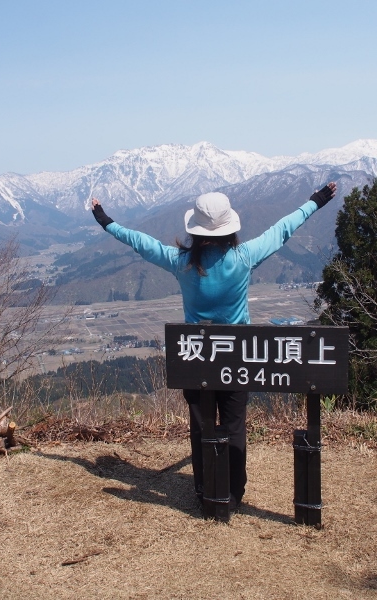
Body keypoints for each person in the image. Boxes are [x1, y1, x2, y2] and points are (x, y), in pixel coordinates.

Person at [91, 181, 337, 511]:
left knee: (201, 425)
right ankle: (233, 493)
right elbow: (283, 230)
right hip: (238, 359)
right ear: (230, 227)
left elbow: (141, 243)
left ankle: (205, 489)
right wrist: (316, 201)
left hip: (196, 360)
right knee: (234, 426)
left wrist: (104, 219)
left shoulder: (182, 262)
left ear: (195, 230)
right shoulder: (244, 257)